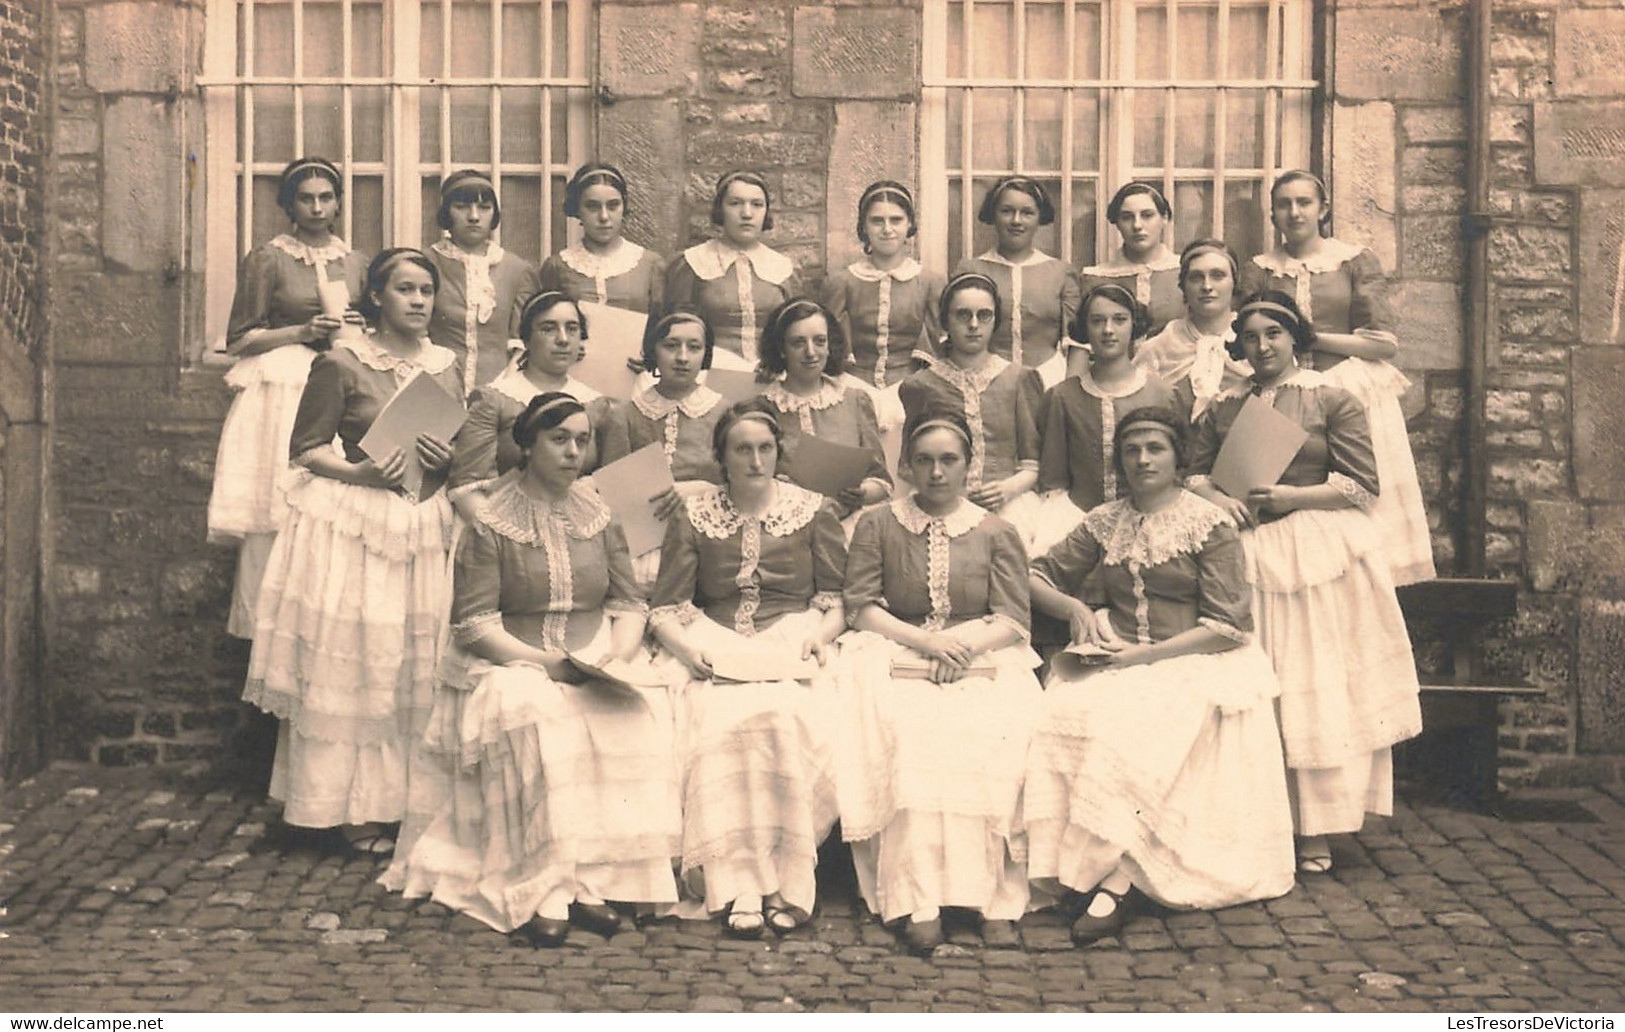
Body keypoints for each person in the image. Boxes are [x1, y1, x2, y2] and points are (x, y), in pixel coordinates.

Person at [383, 393, 681, 945]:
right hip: (514, 661)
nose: (573, 452)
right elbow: (473, 624)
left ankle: (593, 879)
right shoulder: (491, 521)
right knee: (534, 715)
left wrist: (615, 656)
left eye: (581, 440)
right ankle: (545, 887)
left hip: (592, 658)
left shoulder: (599, 513)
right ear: (526, 445)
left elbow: (629, 601)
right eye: (558, 439)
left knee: (638, 713)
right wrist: (549, 665)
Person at [1025, 406, 1295, 945]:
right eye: (1131, 450)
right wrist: (1077, 610)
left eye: (1155, 449)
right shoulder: (1107, 520)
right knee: (1057, 711)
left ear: (1178, 458)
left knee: (1144, 724)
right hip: (1120, 657)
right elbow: (1033, 574)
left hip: (1198, 661)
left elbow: (1228, 626)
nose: (1142, 460)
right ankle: (1079, 867)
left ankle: (1119, 881)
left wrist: (1140, 660)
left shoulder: (1209, 524)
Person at [1187, 292, 1423, 874]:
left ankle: (1313, 829)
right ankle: (1251, 819)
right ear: (1238, 344)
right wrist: (1219, 498)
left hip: (1313, 553)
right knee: (1253, 681)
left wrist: (1293, 496)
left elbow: (1362, 485)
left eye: (1274, 334)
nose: (1261, 346)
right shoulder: (1223, 403)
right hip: (1243, 549)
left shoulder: (1333, 397)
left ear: (1295, 338)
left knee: (1308, 681)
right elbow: (1191, 471)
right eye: (1250, 337)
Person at [242, 248, 462, 856]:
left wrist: (445, 466)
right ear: (377, 299)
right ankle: (349, 809)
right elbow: (307, 449)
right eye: (405, 290)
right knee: (364, 663)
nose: (418, 301)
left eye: (426, 290)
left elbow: (454, 453)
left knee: (413, 669)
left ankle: (410, 805)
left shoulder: (448, 366)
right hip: (359, 523)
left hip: (422, 523)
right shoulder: (340, 362)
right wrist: (362, 476)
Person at [834, 408, 1042, 956]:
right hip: (896, 647)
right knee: (911, 733)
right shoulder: (879, 524)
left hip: (979, 652)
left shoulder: (997, 531)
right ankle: (917, 896)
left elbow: (1013, 617)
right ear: (905, 466)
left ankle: (989, 895)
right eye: (923, 461)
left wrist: (963, 645)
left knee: (987, 735)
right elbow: (860, 606)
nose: (937, 472)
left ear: (969, 466)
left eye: (949, 460)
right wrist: (927, 643)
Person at [648, 400, 848, 938]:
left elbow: (834, 599)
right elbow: (664, 607)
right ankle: (735, 883)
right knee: (716, 727)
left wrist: (815, 637)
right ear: (722, 457)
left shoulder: (814, 510)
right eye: (742, 449)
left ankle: (789, 881)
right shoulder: (696, 515)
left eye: (764, 448)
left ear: (778, 451)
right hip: (712, 641)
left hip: (792, 638)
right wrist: (690, 653)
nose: (755, 460)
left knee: (783, 722)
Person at [1239, 170, 1434, 586]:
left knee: (1356, 483)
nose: (1294, 212)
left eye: (1304, 202)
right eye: (1284, 204)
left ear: (1323, 209)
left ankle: (1367, 581)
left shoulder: (1352, 260)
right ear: (1272, 213)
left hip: (1347, 380)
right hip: (1283, 385)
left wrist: (1311, 338)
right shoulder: (1260, 270)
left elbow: (1383, 345)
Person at [209, 156, 369, 639]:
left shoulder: (355, 261)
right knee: (279, 507)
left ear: (338, 203)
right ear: (289, 205)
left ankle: (325, 629)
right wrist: (301, 330)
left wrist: (362, 327)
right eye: (306, 198)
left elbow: (371, 333)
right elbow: (239, 339)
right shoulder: (269, 258)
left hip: (338, 382)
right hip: (283, 388)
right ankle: (269, 631)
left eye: (326, 197)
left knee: (336, 509)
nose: (318, 207)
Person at [899, 272, 1043, 547]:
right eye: (962, 315)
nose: (974, 325)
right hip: (939, 502)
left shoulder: (1020, 379)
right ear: (946, 321)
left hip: (1009, 501)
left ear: (995, 321)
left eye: (984, 315)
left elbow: (1033, 465)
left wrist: (1007, 489)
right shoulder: (921, 385)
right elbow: (910, 466)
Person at [1032, 283, 1176, 556]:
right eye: (1097, 321)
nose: (1108, 330)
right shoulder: (1062, 397)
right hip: (1077, 518)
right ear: (1085, 330)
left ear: (1135, 326)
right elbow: (1054, 479)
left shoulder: (1162, 394)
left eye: (1119, 320)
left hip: (1149, 522)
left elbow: (1176, 470)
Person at [444, 291, 610, 520]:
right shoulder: (493, 399)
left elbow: (609, 481)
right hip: (502, 527)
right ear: (526, 339)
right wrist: (504, 535)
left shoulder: (596, 404)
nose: (563, 339)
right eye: (548, 328)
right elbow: (466, 488)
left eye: (572, 328)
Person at [597, 308, 729, 584]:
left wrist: (701, 489)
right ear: (653, 350)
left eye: (694, 347)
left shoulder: (726, 413)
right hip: (641, 548)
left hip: (713, 538)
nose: (682, 357)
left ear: (705, 354)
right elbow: (614, 494)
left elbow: (743, 485)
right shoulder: (624, 414)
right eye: (671, 346)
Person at [821, 180, 943, 436]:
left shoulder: (930, 282)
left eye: (896, 220)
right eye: (877, 221)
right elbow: (826, 346)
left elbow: (938, 350)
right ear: (864, 227)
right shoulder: (842, 282)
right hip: (852, 386)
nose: (887, 229)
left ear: (909, 225)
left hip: (911, 389)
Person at [757, 298, 891, 526]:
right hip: (782, 528)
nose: (811, 352)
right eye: (798, 343)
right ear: (781, 349)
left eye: (819, 341)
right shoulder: (763, 408)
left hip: (847, 525)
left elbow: (882, 481)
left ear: (830, 345)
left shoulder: (855, 401)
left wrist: (863, 493)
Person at [953, 176, 1082, 389]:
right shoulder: (971, 270)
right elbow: (956, 336)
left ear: (1039, 217)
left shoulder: (1061, 273)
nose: (1016, 221)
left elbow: (1077, 344)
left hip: (1049, 380)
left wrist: (1068, 393)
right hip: (985, 382)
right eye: (1006, 211)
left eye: (1027, 213)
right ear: (993, 215)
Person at [665, 170, 803, 366]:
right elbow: (673, 329)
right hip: (710, 374)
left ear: (766, 212)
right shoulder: (693, 263)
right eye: (735, 203)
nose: (747, 214)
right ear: (720, 210)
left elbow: (797, 331)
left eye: (757, 204)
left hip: (770, 376)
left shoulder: (784, 268)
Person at [425, 169, 542, 396]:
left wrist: (503, 389)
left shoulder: (517, 270)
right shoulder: (426, 263)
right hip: (436, 386)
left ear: (494, 214)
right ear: (446, 212)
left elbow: (522, 342)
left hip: (500, 387)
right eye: (461, 206)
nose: (474, 217)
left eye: (484, 207)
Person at [1136, 239, 1254, 424]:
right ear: (1183, 286)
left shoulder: (1257, 340)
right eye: (1196, 277)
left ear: (1234, 282)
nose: (1207, 286)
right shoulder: (1158, 348)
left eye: (1218, 275)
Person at [1075, 182, 1183, 378]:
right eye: (1127, 217)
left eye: (1147, 215)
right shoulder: (1095, 278)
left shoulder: (1184, 272)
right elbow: (1081, 347)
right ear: (1116, 222)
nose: (1137, 225)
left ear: (1164, 218)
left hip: (1174, 380)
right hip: (1111, 382)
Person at [539, 162, 667, 316]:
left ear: (624, 208)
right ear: (578, 209)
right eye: (592, 207)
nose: (604, 217)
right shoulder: (557, 267)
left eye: (613, 206)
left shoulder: (650, 265)